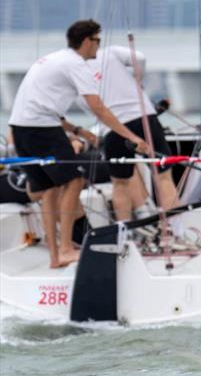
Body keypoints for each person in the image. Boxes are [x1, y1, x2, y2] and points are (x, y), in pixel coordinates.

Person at [8, 19, 148, 268]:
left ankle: (56, 255)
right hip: (42, 129)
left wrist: (78, 130)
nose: (98, 47)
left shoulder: (53, 59)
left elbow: (43, 104)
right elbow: (98, 108)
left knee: (50, 190)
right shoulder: (76, 64)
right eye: (97, 41)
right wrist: (131, 136)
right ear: (86, 41)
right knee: (74, 180)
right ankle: (64, 248)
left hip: (21, 128)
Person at [88, 46, 179, 222]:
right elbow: (140, 57)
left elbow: (91, 108)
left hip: (113, 127)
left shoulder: (75, 70)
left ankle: (124, 235)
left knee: (120, 183)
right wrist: (136, 80)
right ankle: (176, 232)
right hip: (143, 116)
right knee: (163, 177)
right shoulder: (109, 52)